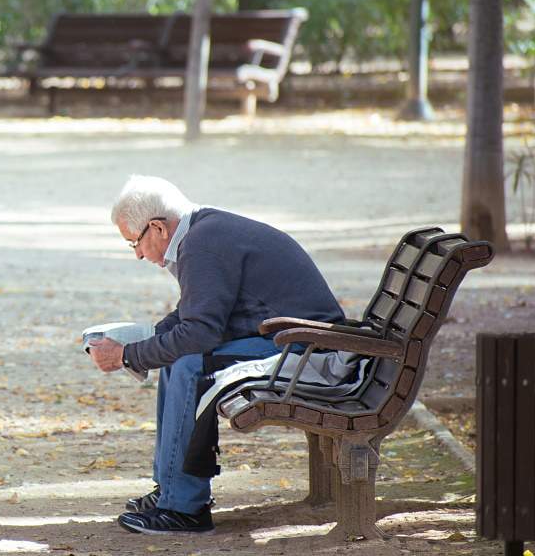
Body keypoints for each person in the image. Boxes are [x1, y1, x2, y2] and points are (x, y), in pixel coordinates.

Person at [87, 175, 345, 535]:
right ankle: (171, 490)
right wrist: (147, 339)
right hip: (294, 341)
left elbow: (199, 333)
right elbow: (194, 315)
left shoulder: (202, 244)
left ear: (158, 228)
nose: (139, 255)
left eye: (135, 243)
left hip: (308, 351)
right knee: (179, 357)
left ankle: (185, 509)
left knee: (190, 363)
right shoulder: (204, 233)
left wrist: (128, 356)